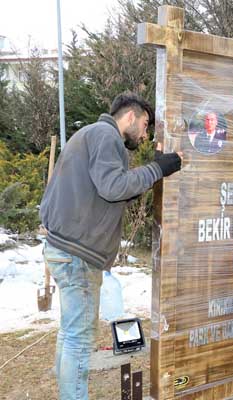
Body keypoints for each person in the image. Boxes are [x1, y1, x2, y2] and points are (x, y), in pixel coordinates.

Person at [40, 93, 183, 400]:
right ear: (129, 117)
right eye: (145, 125)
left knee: (70, 331)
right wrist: (159, 169)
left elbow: (106, 192)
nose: (145, 134)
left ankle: (67, 390)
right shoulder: (107, 136)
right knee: (80, 338)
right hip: (76, 255)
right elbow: (113, 187)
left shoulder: (92, 134)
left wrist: (149, 173)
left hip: (65, 249)